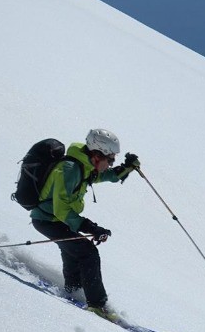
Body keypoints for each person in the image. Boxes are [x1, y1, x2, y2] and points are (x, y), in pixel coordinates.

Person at [30, 128, 140, 319]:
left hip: (54, 219)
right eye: (111, 159)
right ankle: (97, 305)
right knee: (88, 252)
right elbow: (61, 209)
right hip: (47, 220)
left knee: (74, 251)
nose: (111, 163)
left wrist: (127, 167)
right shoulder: (70, 169)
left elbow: (107, 176)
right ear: (98, 155)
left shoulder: (85, 166)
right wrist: (91, 227)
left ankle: (73, 290)